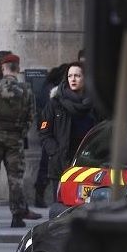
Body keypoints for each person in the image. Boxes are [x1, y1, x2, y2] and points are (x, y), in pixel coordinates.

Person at [0, 53, 41, 229]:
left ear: (3, 68)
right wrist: (21, 131)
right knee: (15, 179)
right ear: (18, 68)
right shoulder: (26, 90)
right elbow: (31, 116)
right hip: (15, 139)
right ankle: (17, 216)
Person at [39, 62, 100, 204]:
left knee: (85, 203)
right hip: (61, 161)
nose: (73, 79)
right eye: (70, 76)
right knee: (61, 205)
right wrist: (55, 151)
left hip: (87, 162)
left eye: (77, 76)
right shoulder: (55, 103)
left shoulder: (94, 104)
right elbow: (44, 131)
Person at [32, 62, 70, 208]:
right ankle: (40, 194)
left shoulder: (48, 88)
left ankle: (41, 194)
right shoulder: (52, 92)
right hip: (52, 136)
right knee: (46, 166)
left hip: (54, 135)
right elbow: (45, 117)